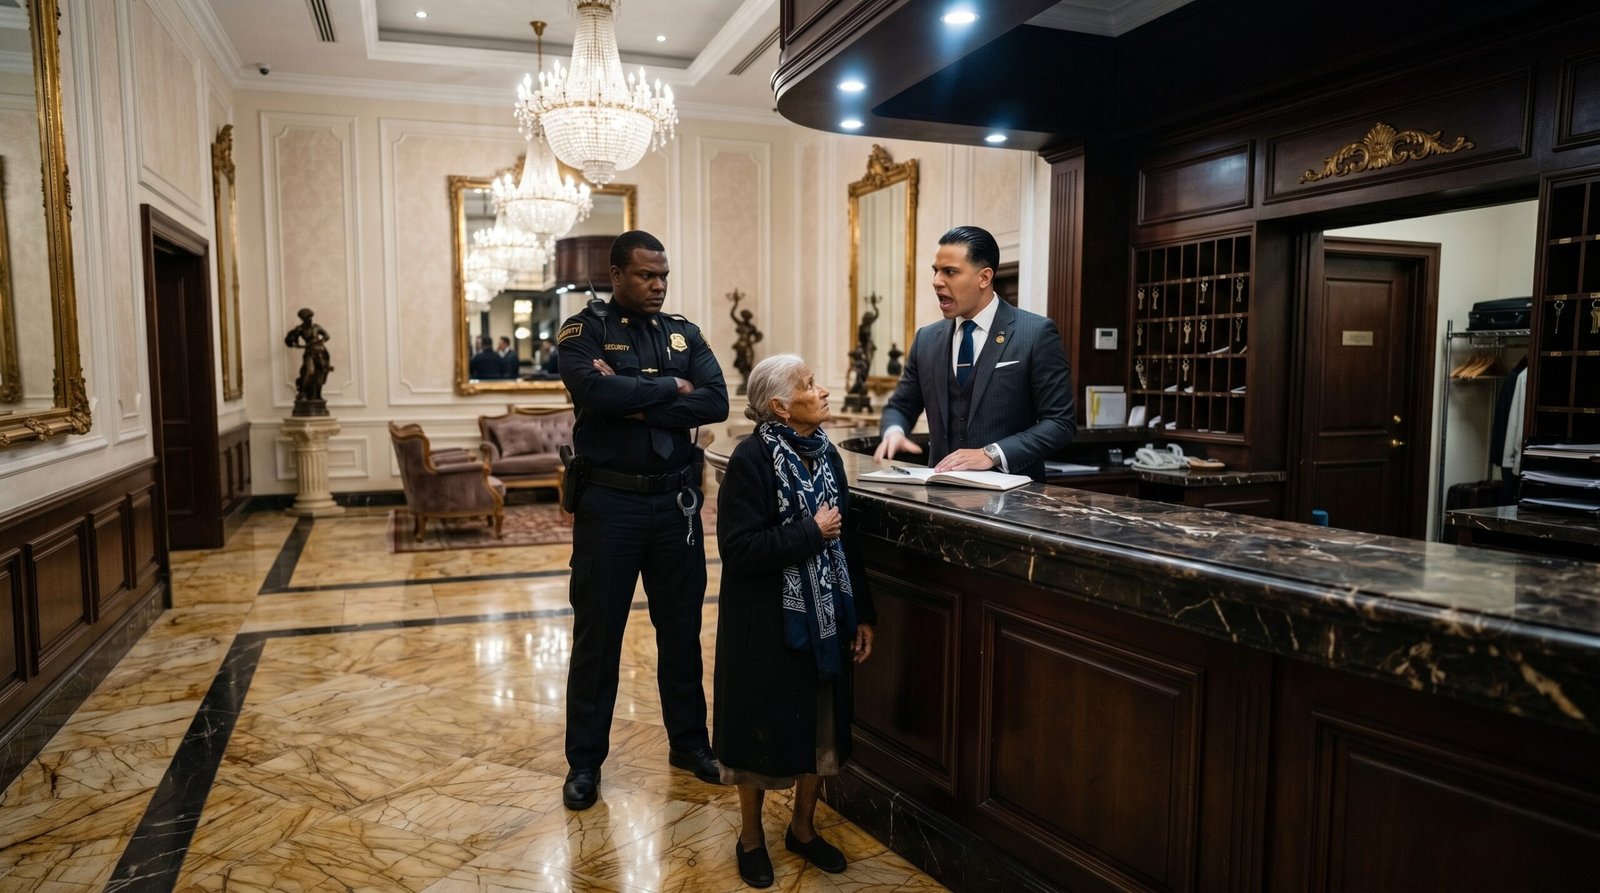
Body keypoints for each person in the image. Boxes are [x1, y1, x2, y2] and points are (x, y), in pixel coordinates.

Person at [555, 230, 730, 811]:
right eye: (646, 275)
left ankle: (690, 744)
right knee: (598, 637)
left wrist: (631, 397)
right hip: (610, 505)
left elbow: (715, 401)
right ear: (616, 275)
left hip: (676, 503)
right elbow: (591, 391)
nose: (658, 286)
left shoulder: (684, 332)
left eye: (663, 276)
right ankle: (584, 763)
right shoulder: (583, 331)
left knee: (681, 633)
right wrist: (670, 388)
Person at [714, 354, 875, 888]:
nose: (822, 390)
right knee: (757, 731)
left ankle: (802, 830)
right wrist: (810, 531)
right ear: (781, 407)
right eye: (809, 384)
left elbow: (847, 540)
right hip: (765, 625)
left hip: (826, 620)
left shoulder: (827, 455)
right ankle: (750, 838)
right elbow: (738, 549)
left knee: (821, 727)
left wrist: (863, 614)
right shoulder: (750, 459)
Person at [874, 225, 1075, 480]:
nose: (936, 281)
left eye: (950, 272)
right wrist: (894, 431)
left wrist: (992, 453)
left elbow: (1060, 423)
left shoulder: (1035, 334)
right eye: (936, 271)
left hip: (1014, 496)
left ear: (984, 277)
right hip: (940, 495)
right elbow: (901, 406)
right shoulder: (926, 339)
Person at [283, 307, 333, 414]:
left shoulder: (316, 327)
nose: (310, 319)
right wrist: (299, 345)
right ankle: (302, 392)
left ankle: (317, 395)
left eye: (311, 317)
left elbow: (327, 336)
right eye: (307, 318)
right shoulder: (300, 329)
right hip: (310, 353)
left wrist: (319, 341)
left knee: (320, 374)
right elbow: (292, 342)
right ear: (303, 319)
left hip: (321, 353)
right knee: (310, 371)